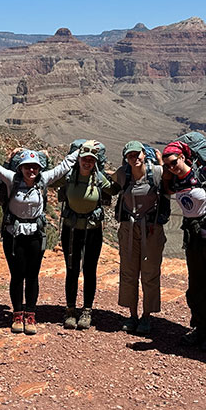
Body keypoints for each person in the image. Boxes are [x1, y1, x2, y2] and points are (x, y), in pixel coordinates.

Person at [0, 146, 80, 334]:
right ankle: (17, 314)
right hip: (14, 235)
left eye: (35, 167)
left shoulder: (43, 180)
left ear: (39, 168)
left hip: (35, 235)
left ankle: (31, 314)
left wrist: (80, 151)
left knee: (32, 276)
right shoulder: (12, 179)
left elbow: (64, 166)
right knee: (17, 275)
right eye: (27, 167)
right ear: (20, 168)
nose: (31, 170)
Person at [162, 141, 206, 351]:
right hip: (193, 239)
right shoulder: (174, 180)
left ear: (183, 157)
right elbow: (166, 189)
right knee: (196, 287)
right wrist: (163, 168)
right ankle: (201, 328)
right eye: (167, 165)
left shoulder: (202, 174)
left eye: (174, 162)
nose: (171, 167)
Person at [56, 141, 113, 331]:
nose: (87, 162)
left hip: (93, 229)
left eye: (91, 160)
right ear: (78, 159)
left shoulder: (99, 178)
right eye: (84, 159)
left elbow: (114, 189)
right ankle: (70, 310)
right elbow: (50, 180)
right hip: (71, 229)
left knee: (90, 269)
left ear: (95, 162)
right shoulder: (69, 176)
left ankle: (87, 310)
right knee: (71, 268)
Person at [114, 141, 169, 335]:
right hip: (128, 229)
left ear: (144, 155)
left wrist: (162, 162)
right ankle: (132, 315)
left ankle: (147, 316)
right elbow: (106, 183)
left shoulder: (156, 173)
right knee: (128, 272)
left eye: (137, 154)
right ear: (126, 158)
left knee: (150, 272)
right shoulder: (123, 174)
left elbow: (172, 183)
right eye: (130, 156)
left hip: (151, 230)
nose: (134, 158)